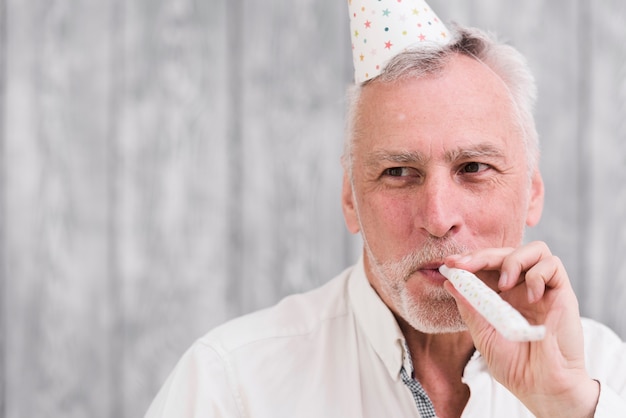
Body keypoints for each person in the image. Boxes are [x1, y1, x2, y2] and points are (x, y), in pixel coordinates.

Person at [145, 1, 626, 417]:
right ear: (350, 199)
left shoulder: (602, 372)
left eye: (474, 167)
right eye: (398, 172)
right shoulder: (230, 387)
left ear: (533, 191)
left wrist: (569, 408)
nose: (438, 219)